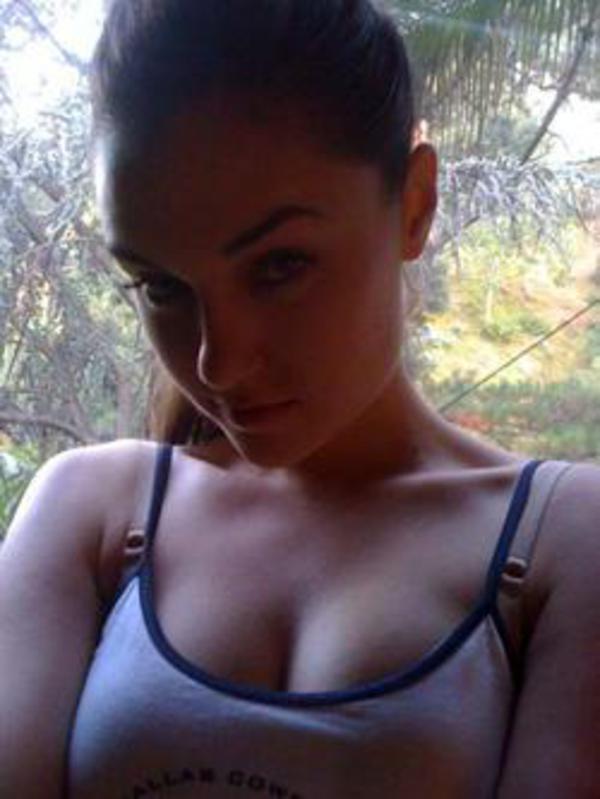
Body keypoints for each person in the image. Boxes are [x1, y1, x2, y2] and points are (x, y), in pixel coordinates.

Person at [1, 1, 599, 797]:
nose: (217, 362)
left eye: (279, 265)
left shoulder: (564, 541)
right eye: (161, 286)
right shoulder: (90, 514)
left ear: (414, 204)